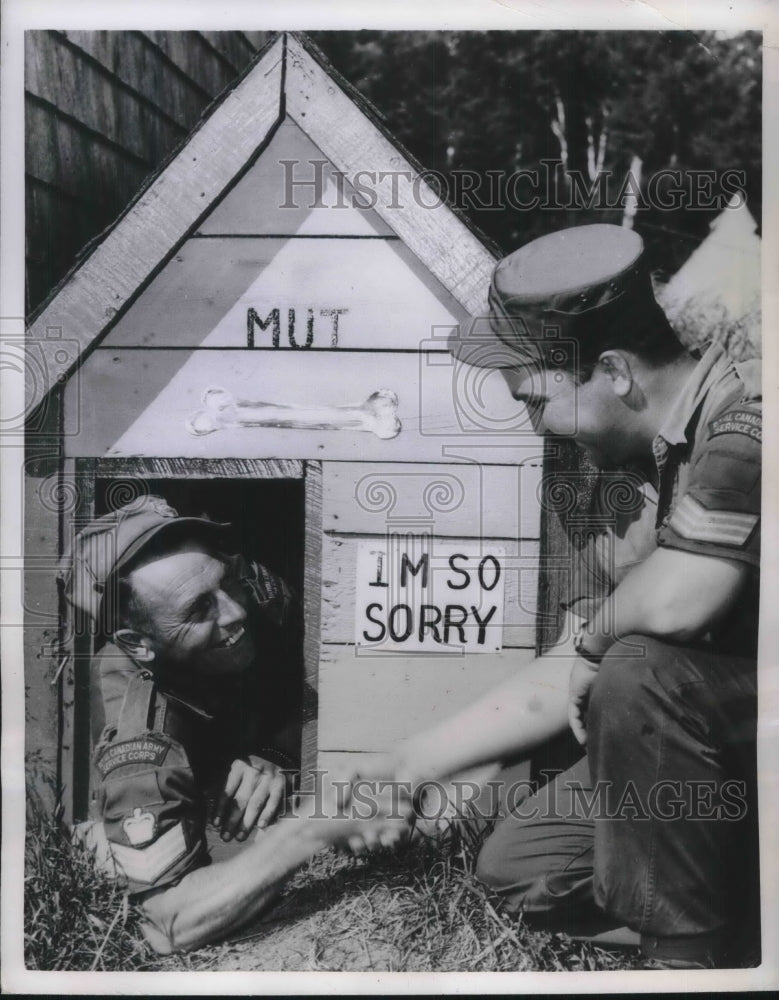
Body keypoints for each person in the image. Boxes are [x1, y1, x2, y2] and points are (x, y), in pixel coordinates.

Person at [364, 224, 761, 969]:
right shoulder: (659, 459)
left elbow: (683, 600)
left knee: (636, 668)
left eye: (535, 401)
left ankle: (687, 967)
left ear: (612, 371)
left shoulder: (748, 420)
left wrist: (592, 643)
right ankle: (738, 922)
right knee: (523, 868)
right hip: (728, 738)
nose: (537, 426)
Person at [60, 495, 393, 954]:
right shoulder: (135, 720)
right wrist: (312, 829)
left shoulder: (248, 585)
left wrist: (276, 752)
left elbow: (306, 674)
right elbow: (168, 923)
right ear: (138, 643)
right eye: (198, 611)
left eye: (229, 583)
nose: (235, 612)